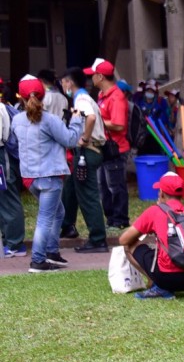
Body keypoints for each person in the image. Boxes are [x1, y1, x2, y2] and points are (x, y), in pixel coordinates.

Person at [10, 75, 83, 273]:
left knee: (57, 212)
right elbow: (70, 140)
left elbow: (15, 145)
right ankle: (38, 260)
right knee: (45, 218)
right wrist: (76, 120)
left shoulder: (16, 120)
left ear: (21, 97)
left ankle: (51, 251)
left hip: (29, 177)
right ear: (43, 96)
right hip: (50, 176)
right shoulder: (49, 120)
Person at [118, 171, 184, 298]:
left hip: (168, 278)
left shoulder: (155, 211)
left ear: (161, 193)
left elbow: (124, 240)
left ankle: (159, 286)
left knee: (129, 246)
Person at [59, 67, 109, 253]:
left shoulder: (81, 99)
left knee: (88, 196)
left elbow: (91, 118)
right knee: (71, 186)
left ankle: (98, 239)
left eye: (63, 82)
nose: (62, 86)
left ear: (69, 82)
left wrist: (84, 138)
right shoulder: (84, 97)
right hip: (87, 152)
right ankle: (67, 225)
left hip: (87, 151)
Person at [85, 58, 130, 233]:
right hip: (106, 148)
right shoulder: (103, 96)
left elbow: (119, 124)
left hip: (116, 149)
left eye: (93, 75)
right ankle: (111, 219)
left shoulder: (116, 97)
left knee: (115, 186)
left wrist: (97, 121)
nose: (91, 79)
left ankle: (120, 220)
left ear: (101, 77)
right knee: (104, 186)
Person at [0, 80, 27, 259]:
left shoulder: (1, 108)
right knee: (4, 198)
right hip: (4, 157)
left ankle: (16, 243)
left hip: (3, 157)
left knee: (8, 196)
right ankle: (9, 239)